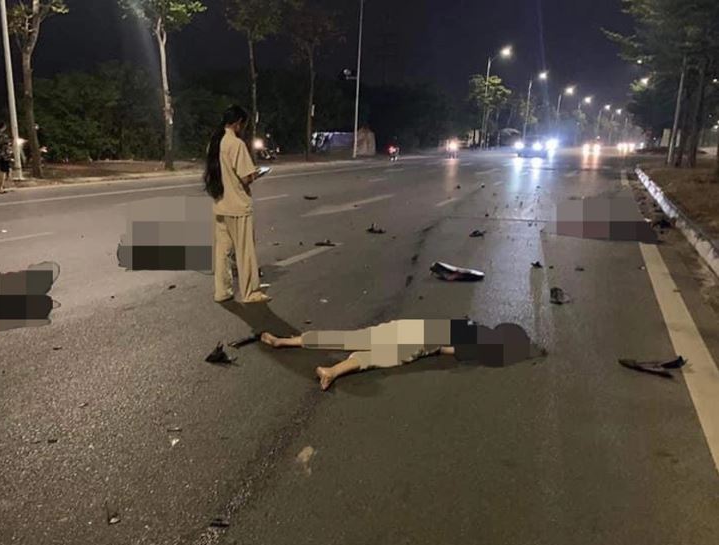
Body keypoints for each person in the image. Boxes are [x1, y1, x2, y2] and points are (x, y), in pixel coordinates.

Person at [260, 319, 537, 391]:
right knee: (369, 355)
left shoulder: (473, 329)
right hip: (416, 343)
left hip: (413, 332)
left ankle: (287, 343)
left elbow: (443, 338)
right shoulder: (476, 343)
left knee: (353, 341)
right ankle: (328, 370)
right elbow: (445, 348)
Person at [204, 105, 270, 304]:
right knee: (245, 251)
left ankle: (222, 291)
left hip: (220, 203)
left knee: (222, 252)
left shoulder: (215, 143)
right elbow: (246, 177)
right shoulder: (236, 144)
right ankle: (250, 293)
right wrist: (256, 173)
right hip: (238, 206)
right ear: (239, 123)